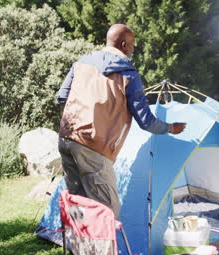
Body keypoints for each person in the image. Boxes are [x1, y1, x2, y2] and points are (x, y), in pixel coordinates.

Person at [57, 24, 186, 219]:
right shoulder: (128, 74)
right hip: (94, 146)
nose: (134, 49)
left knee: (78, 204)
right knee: (106, 210)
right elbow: (145, 121)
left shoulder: (81, 63)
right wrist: (171, 128)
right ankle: (103, 251)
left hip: (66, 138)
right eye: (133, 45)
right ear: (124, 45)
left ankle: (79, 250)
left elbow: (61, 97)